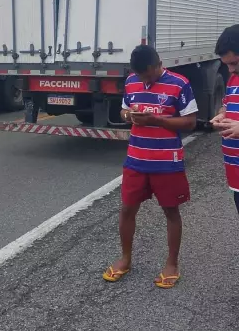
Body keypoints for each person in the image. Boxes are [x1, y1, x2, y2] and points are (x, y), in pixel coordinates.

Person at [102, 45, 198, 288]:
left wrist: (155, 119)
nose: (144, 81)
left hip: (167, 162)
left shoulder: (179, 83)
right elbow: (123, 109)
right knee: (126, 209)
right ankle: (125, 259)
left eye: (148, 76)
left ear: (157, 65)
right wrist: (129, 115)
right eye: (140, 77)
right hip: (136, 159)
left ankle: (172, 264)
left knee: (171, 211)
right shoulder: (132, 81)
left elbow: (189, 122)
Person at [210, 25, 239, 210]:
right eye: (226, 64)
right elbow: (227, 105)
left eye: (234, 63)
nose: (230, 70)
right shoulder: (233, 78)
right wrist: (221, 115)